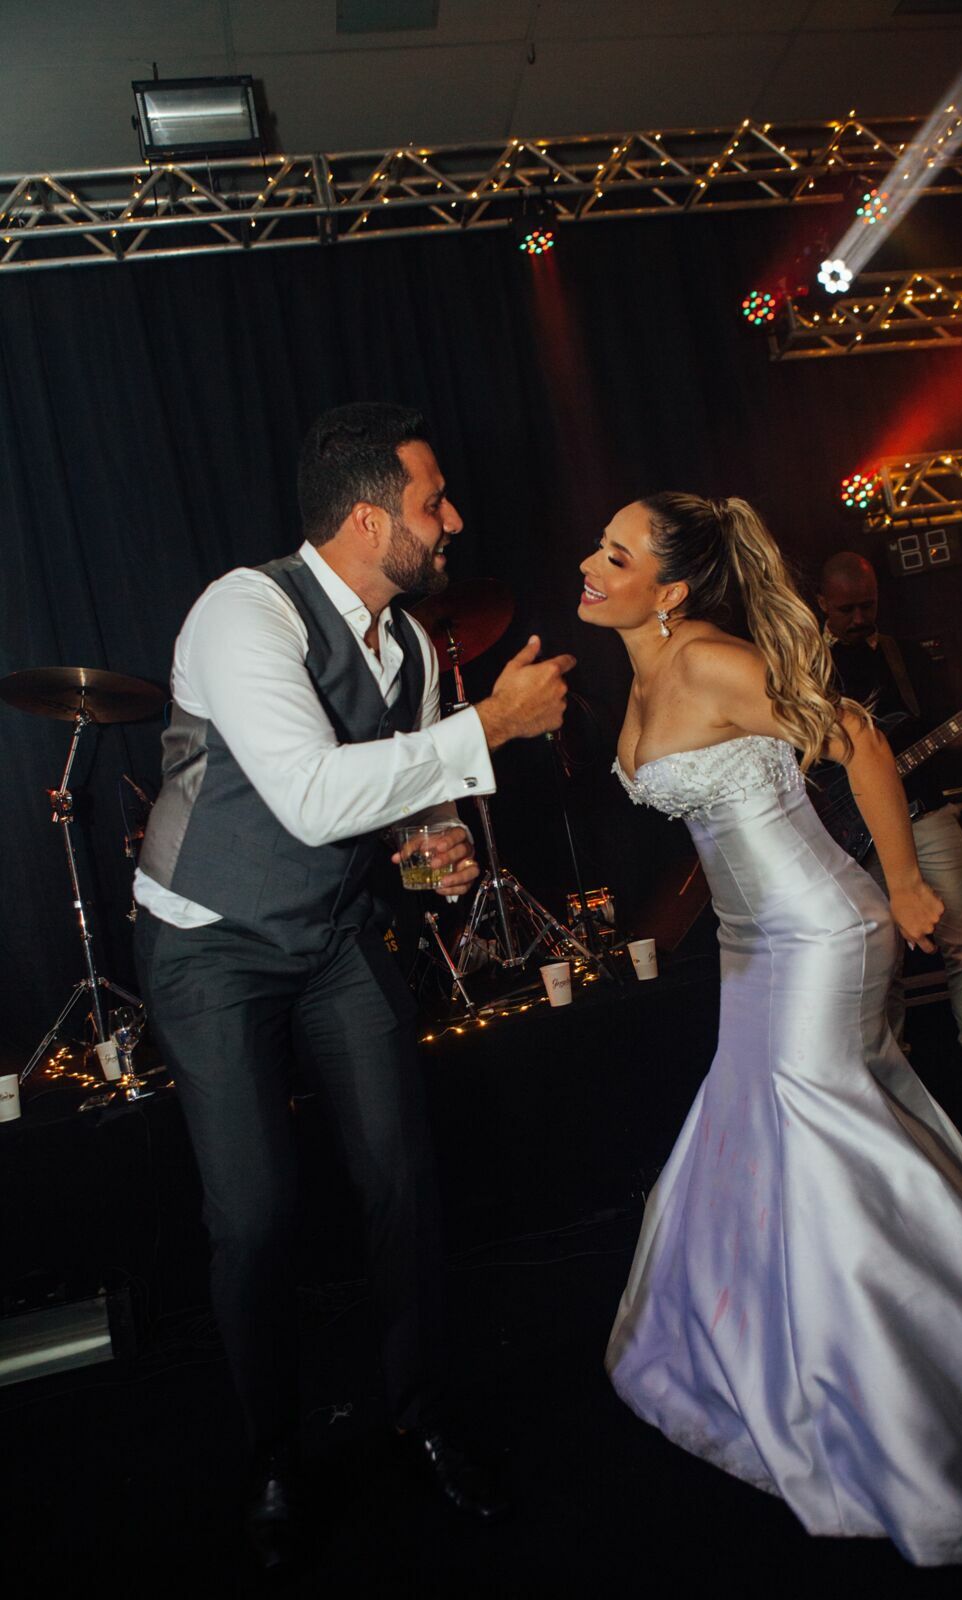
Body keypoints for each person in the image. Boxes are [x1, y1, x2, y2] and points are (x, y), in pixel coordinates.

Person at [580, 493, 962, 1565]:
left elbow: (857, 740)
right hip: (750, 944)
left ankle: (935, 1401)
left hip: (818, 931)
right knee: (760, 1138)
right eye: (598, 549)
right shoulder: (645, 670)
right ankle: (791, 1365)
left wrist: (903, 880)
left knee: (823, 1142)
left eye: (614, 555)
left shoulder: (711, 660)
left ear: (669, 589)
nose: (589, 565)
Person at [133, 402, 575, 1570]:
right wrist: (491, 725)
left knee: (403, 1180)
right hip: (211, 941)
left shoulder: (413, 646)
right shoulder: (244, 610)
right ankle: (272, 1455)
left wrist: (436, 849)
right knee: (255, 1216)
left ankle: (419, 1414)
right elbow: (314, 794)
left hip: (333, 936)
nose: (453, 520)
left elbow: (397, 806)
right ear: (370, 518)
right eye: (434, 501)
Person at [816, 551, 962, 1097]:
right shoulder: (803, 666)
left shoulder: (907, 657)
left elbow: (949, 734)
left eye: (867, 606)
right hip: (853, 827)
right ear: (822, 603)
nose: (859, 618)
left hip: (926, 812)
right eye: (846, 609)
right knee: (882, 958)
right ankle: (892, 1071)